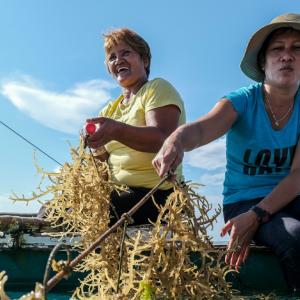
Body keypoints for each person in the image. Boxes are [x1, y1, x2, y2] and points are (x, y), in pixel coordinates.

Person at [152, 13, 300, 291]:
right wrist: (176, 140)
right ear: (263, 63)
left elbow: (297, 176)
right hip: (244, 203)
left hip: (283, 198)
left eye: (297, 49)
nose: (287, 56)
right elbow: (200, 130)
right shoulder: (242, 101)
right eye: (278, 49)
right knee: (294, 237)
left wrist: (259, 214)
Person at [85, 28, 186, 225]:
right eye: (112, 57)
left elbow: (164, 139)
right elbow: (104, 162)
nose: (118, 60)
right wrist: (95, 144)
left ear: (145, 61)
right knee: (56, 209)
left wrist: (115, 130)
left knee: (97, 210)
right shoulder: (108, 109)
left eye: (126, 53)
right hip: (119, 194)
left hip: (157, 196)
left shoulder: (156, 89)